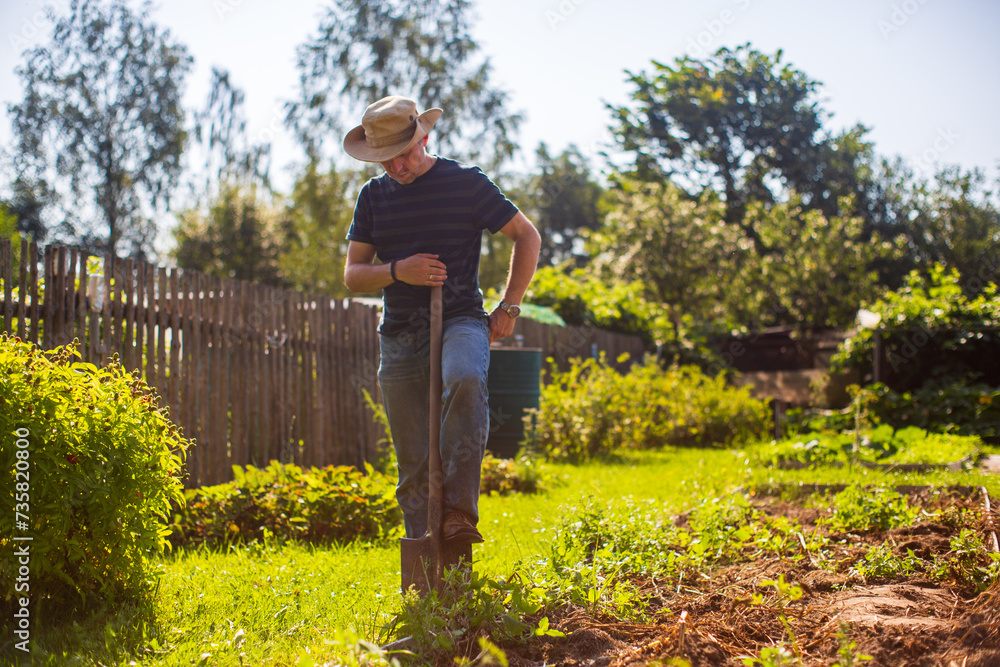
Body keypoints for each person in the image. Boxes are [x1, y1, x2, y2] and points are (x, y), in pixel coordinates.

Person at [342, 95, 541, 545]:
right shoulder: (373, 197)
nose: (396, 167)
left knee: (466, 378)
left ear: (424, 138)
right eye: (385, 160)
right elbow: (353, 275)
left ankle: (458, 516)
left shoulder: (464, 184)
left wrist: (510, 305)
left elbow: (526, 234)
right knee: (413, 458)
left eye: (404, 155)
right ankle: (423, 549)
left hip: (461, 319)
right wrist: (398, 270)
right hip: (399, 335)